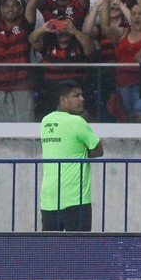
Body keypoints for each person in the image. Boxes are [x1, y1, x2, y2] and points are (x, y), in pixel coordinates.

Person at [40, 80, 103, 232]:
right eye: (76, 96)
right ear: (63, 100)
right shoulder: (78, 122)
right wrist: (81, 152)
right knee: (78, 250)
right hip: (75, 198)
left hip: (49, 197)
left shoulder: (45, 121)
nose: (82, 99)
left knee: (50, 251)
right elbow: (98, 150)